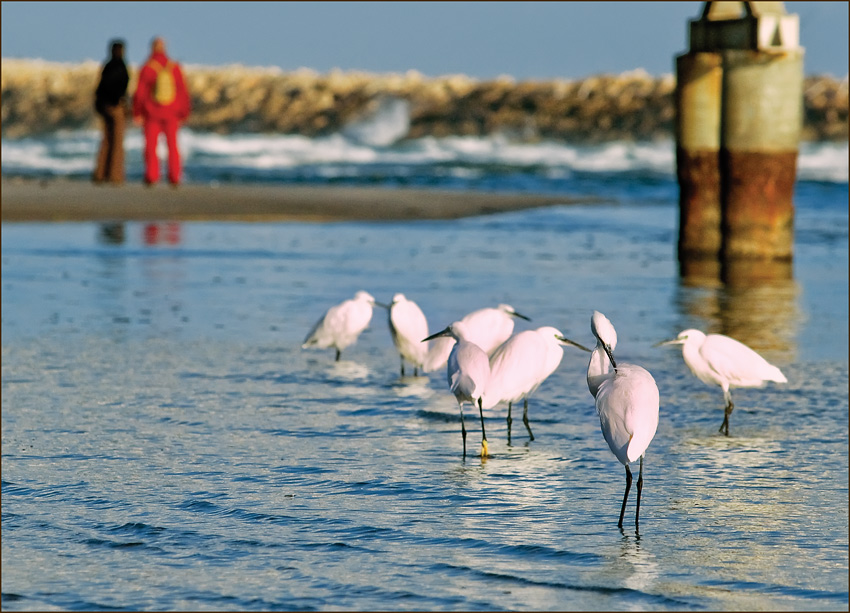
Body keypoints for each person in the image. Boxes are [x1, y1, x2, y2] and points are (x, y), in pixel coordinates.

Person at [132, 37, 191, 186]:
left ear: (152, 48)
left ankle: (152, 176)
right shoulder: (174, 67)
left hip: (152, 113)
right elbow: (182, 91)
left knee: (151, 147)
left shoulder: (147, 67)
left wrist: (137, 112)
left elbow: (140, 93)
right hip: (172, 113)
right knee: (173, 146)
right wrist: (184, 112)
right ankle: (175, 176)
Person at [92, 39, 130, 184]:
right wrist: (119, 102)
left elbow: (100, 88)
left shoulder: (107, 66)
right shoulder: (120, 66)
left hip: (105, 106)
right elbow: (119, 88)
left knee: (106, 140)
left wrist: (100, 105)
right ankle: (115, 175)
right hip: (115, 107)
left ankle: (100, 174)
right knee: (117, 141)